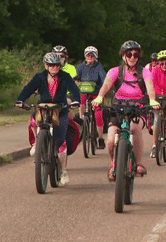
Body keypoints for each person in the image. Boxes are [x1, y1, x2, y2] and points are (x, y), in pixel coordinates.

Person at [91, 40, 159, 181]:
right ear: (123, 56)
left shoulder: (144, 72)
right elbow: (107, 84)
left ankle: (139, 163)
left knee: (135, 129)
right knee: (110, 139)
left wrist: (152, 100)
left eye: (135, 54)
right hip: (118, 108)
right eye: (129, 54)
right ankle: (113, 163)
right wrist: (99, 97)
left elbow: (150, 86)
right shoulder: (115, 71)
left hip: (138, 108)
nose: (132, 57)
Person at [16, 52, 81, 186]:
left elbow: (74, 89)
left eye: (56, 65)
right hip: (43, 108)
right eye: (51, 65)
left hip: (60, 110)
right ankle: (36, 143)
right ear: (46, 65)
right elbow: (28, 88)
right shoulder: (39, 77)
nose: (54, 68)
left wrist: (76, 101)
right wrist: (21, 99)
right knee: (33, 120)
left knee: (60, 140)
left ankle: (63, 172)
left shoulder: (65, 77)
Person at [28, 45, 78, 156]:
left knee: (66, 110)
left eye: (61, 56)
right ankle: (37, 142)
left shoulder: (70, 69)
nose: (59, 58)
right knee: (35, 116)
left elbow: (74, 85)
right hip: (47, 100)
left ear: (65, 58)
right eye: (56, 56)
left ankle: (63, 139)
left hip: (66, 97)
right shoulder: (47, 70)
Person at [75, 46, 107, 149]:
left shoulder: (99, 67)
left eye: (92, 55)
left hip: (95, 92)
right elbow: (75, 78)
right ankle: (82, 119)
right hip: (84, 92)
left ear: (95, 57)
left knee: (98, 114)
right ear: (85, 56)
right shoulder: (80, 67)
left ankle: (100, 138)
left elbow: (104, 80)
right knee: (81, 101)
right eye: (88, 55)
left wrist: (102, 92)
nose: (90, 57)